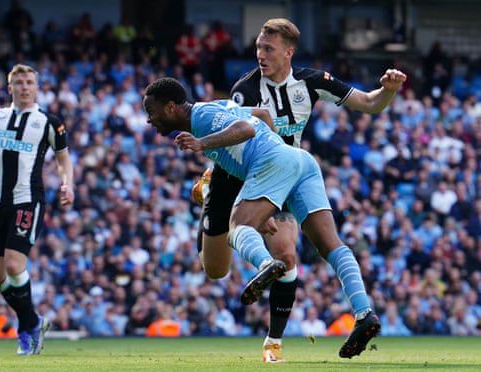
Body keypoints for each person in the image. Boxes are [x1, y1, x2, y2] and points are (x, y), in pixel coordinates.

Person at [192, 18, 407, 362]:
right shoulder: (244, 89)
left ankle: (281, 341)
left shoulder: (311, 81)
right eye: (259, 48)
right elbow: (235, 136)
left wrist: (389, 90)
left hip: (288, 175)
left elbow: (369, 103)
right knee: (216, 269)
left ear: (288, 52)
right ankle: (209, 191)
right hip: (236, 178)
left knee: (291, 254)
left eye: (268, 49)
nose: (260, 55)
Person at [143, 77, 381, 361]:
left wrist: (201, 143)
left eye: (152, 112)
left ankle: (267, 264)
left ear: (170, 108)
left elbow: (245, 129)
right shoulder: (216, 106)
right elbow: (263, 114)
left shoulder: (203, 117)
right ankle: (364, 312)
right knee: (330, 244)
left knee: (237, 228)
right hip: (299, 160)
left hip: (275, 162)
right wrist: (275, 176)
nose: (149, 120)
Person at [0, 64, 74, 355]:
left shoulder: (49, 121)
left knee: (13, 265)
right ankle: (32, 321)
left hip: (27, 199)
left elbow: (63, 159)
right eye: (19, 82)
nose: (24, 87)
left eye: (29, 82)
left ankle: (26, 329)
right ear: (10, 87)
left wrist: (67, 184)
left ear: (37, 87)